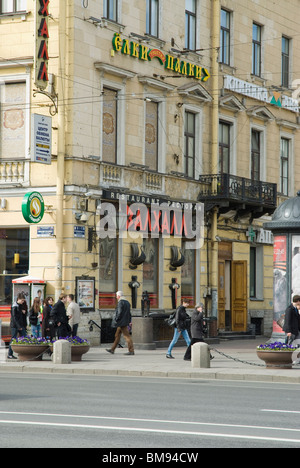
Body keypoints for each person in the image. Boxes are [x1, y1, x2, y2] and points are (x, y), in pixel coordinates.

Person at [106, 291, 134, 355]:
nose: (116, 297)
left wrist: (116, 319)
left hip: (121, 322)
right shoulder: (127, 302)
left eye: (116, 296)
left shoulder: (121, 302)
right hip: (124, 321)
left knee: (127, 336)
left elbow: (119, 312)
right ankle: (112, 349)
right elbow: (129, 313)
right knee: (117, 335)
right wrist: (129, 321)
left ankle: (131, 350)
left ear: (118, 296)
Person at [7, 293, 27, 359]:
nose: (23, 302)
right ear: (18, 299)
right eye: (22, 300)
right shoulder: (14, 306)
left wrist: (24, 313)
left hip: (20, 325)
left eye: (23, 301)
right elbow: (14, 318)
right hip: (15, 326)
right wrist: (19, 326)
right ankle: (10, 354)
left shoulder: (20, 305)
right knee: (13, 339)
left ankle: (24, 353)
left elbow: (22, 316)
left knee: (25, 337)